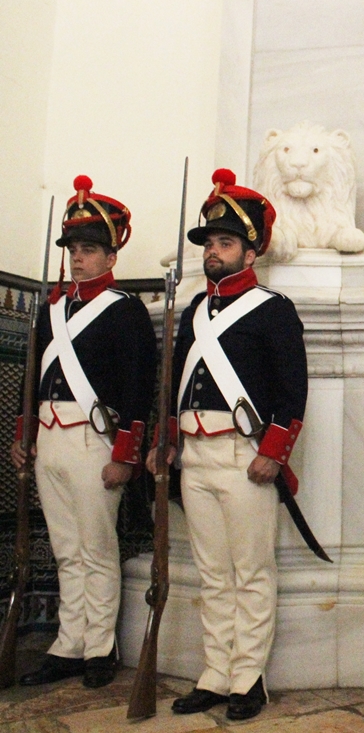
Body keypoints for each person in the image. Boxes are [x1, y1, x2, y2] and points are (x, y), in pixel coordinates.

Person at [146, 169, 308, 721]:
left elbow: (292, 392)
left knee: (251, 573)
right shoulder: (192, 311)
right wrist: (165, 440)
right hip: (193, 455)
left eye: (225, 242)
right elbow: (174, 387)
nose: (214, 252)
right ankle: (215, 673)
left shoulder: (272, 308)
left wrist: (274, 451)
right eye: (210, 243)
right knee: (212, 572)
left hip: (245, 459)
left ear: (249, 249)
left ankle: (249, 678)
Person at [11, 176, 156, 689]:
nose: (78, 258)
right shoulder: (52, 308)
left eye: (89, 250)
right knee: (66, 547)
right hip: (50, 437)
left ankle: (100, 647)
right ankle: (68, 644)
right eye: (73, 249)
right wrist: (23, 435)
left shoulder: (125, 311)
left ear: (111, 257)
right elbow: (36, 378)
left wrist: (126, 454)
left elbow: (139, 389)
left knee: (96, 548)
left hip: (94, 443)